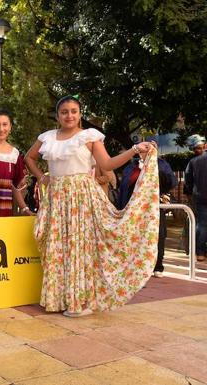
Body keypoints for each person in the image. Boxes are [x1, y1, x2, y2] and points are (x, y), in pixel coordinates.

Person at [24, 95, 159, 317]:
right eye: (64, 111)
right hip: (56, 198)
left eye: (74, 111)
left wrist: (134, 150)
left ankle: (82, 302)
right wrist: (41, 177)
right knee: (58, 249)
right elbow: (29, 158)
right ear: (58, 115)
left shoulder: (90, 136)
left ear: (80, 114)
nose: (69, 115)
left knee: (79, 248)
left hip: (82, 198)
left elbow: (106, 164)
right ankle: (58, 299)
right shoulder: (47, 137)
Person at [118, 148, 177, 276]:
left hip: (154, 206)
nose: (146, 152)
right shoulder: (131, 167)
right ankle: (135, 265)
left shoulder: (161, 164)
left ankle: (157, 266)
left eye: (149, 149)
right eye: (143, 150)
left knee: (158, 236)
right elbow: (124, 187)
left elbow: (171, 182)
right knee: (134, 236)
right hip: (133, 208)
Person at [184, 137, 207, 262]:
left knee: (202, 225)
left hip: (200, 196)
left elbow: (188, 181)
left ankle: (200, 253)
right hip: (200, 196)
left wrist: (189, 194)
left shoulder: (193, 162)